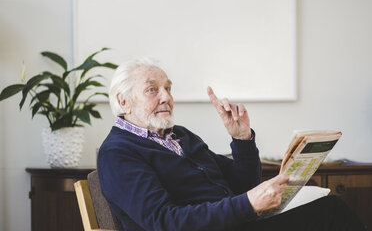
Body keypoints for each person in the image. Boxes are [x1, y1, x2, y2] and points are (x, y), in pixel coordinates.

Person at [97, 59, 365, 231]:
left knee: (328, 207)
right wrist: (247, 205)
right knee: (331, 213)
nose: (167, 97)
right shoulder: (118, 152)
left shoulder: (178, 135)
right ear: (123, 102)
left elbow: (241, 185)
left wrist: (242, 139)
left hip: (237, 223)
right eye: (152, 89)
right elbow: (164, 221)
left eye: (168, 88)